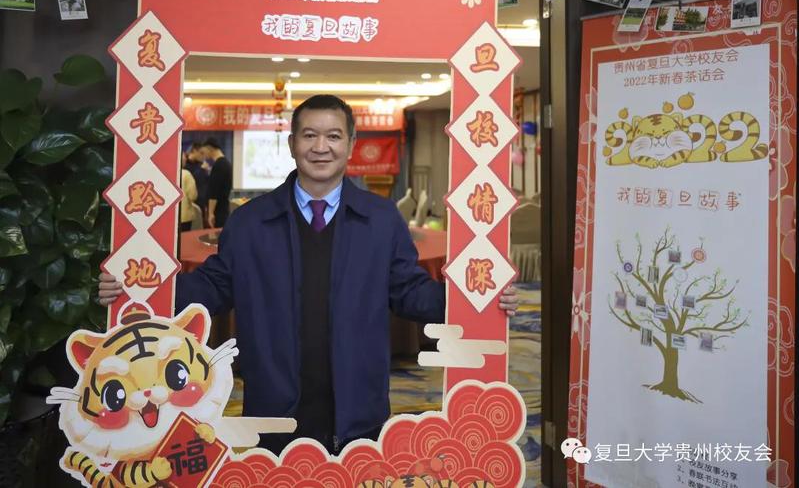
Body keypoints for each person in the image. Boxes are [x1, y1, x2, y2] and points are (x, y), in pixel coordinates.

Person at [98, 95, 518, 455]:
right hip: (274, 404)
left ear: (350, 145)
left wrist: (479, 299)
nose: (321, 147)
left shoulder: (380, 219)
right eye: (309, 135)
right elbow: (211, 289)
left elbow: (410, 292)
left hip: (358, 406)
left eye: (333, 136)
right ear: (292, 143)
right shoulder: (251, 223)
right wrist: (136, 293)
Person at [201, 138, 232, 228]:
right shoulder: (225, 163)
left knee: (216, 235)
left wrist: (211, 213)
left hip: (218, 212)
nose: (204, 155)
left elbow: (214, 192)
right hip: (223, 209)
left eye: (204, 151)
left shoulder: (219, 165)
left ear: (209, 148)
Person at [184, 143, 210, 224]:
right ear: (194, 151)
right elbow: (191, 179)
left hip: (203, 203)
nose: (203, 156)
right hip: (191, 204)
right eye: (201, 153)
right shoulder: (185, 165)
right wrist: (202, 170)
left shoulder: (200, 165)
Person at [179, 164, 198, 232]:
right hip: (184, 216)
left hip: (169, 216)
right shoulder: (186, 174)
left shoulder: (165, 174)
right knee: (184, 236)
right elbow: (193, 196)